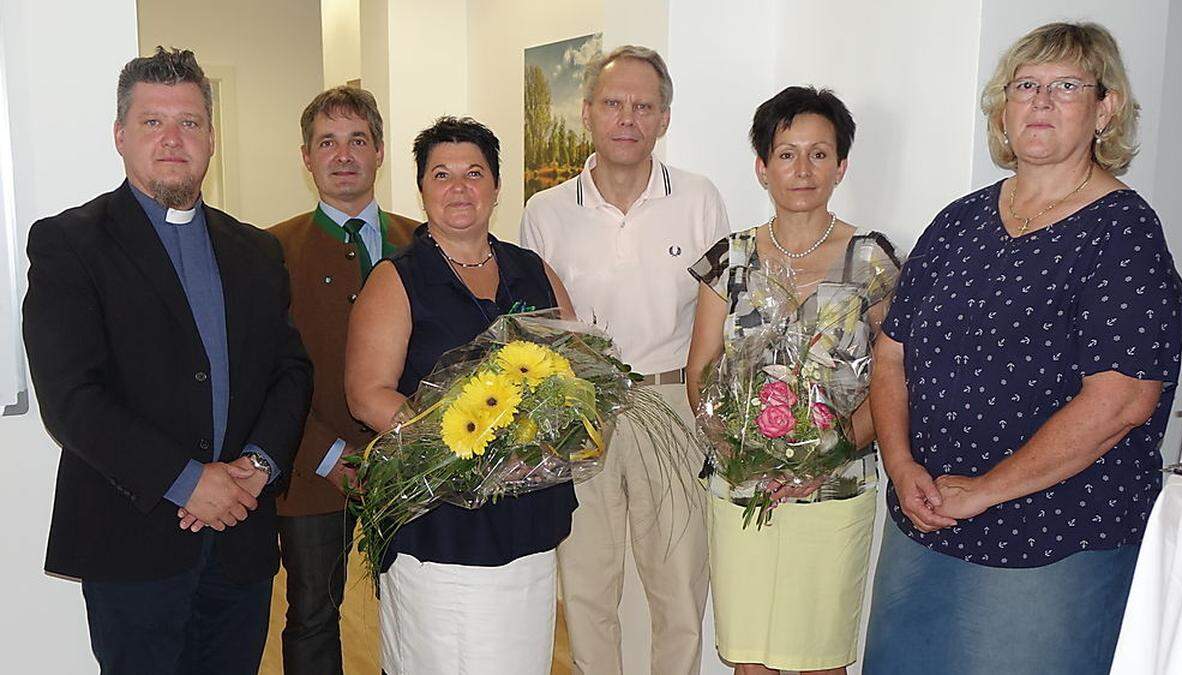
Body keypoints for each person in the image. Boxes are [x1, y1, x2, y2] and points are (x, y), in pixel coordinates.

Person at [862, 22, 1182, 674]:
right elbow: (892, 352)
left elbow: (1120, 401)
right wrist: (901, 466)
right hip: (925, 524)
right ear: (1004, 109)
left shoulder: (1123, 234)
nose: (1040, 102)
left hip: (1055, 543)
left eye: (1065, 86)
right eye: (1026, 86)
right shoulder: (960, 221)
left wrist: (983, 490)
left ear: (1105, 108)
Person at [21, 47, 312, 674]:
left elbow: (290, 372)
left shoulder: (256, 250)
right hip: (131, 542)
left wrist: (258, 467)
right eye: (153, 122)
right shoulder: (68, 244)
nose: (173, 139)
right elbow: (72, 400)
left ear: (211, 137)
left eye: (190, 122)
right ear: (121, 136)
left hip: (242, 539)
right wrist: (188, 481)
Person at [520, 44, 730, 674]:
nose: (627, 118)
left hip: (673, 404)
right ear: (587, 112)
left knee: (679, 586)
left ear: (664, 118)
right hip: (583, 411)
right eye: (613, 103)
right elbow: (538, 329)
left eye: (644, 106)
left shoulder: (699, 200)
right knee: (587, 585)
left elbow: (720, 314)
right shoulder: (545, 212)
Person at [344, 116, 577, 674]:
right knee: (442, 654)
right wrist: (459, 452)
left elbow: (576, 376)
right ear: (421, 188)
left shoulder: (532, 270)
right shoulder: (397, 278)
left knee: (517, 655)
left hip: (526, 508)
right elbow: (366, 394)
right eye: (441, 174)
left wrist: (541, 444)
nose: (458, 188)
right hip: (439, 516)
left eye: (474, 173)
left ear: (496, 186)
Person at [685, 86, 901, 675]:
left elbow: (894, 375)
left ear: (841, 165)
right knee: (750, 659)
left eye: (819, 154)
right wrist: (735, 452)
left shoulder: (874, 259)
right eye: (786, 154)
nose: (802, 169)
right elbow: (701, 369)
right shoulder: (728, 259)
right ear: (762, 166)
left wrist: (825, 457)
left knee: (819, 658)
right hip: (741, 484)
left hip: (836, 487)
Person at [269, 86, 418, 674]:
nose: (343, 154)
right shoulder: (270, 251)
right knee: (311, 611)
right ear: (306, 158)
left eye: (358, 140)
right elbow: (267, 373)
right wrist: (327, 453)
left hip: (413, 466)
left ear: (379, 152)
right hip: (312, 468)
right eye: (326, 142)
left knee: (413, 606)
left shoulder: (422, 242)